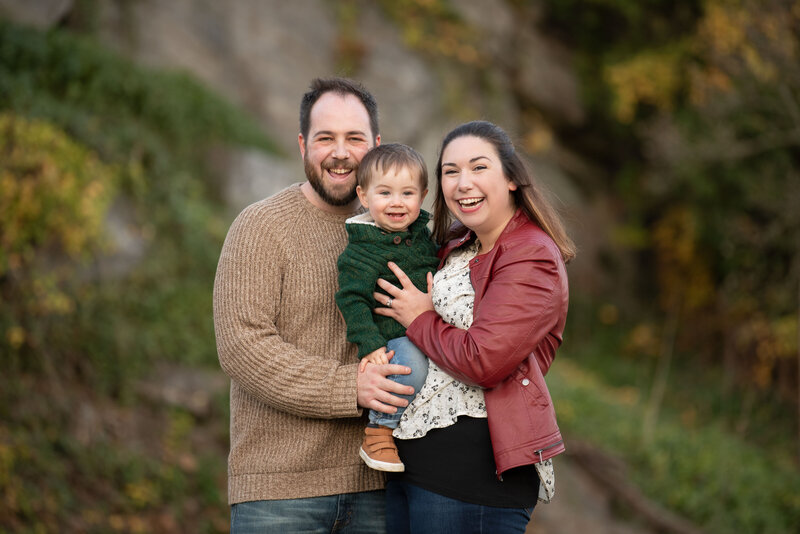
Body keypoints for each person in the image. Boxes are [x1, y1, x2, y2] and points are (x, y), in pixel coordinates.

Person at [213, 77, 415, 534]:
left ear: (377, 145)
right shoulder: (260, 227)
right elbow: (243, 346)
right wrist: (351, 388)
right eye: (326, 138)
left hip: (383, 488)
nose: (340, 153)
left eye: (355, 139)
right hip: (278, 494)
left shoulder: (407, 232)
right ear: (304, 144)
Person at [372, 120, 576, 533]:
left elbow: (484, 360)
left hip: (473, 476)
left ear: (512, 178)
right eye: (451, 171)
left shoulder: (532, 256)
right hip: (413, 463)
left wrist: (419, 318)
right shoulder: (455, 244)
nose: (463, 183)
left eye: (478, 167)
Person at [335, 143, 439, 472]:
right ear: (364, 197)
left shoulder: (424, 236)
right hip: (393, 338)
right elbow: (352, 299)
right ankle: (379, 430)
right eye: (385, 193)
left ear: (422, 196)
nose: (397, 202)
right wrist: (370, 345)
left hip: (431, 331)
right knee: (409, 368)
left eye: (407, 193)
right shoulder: (361, 249)